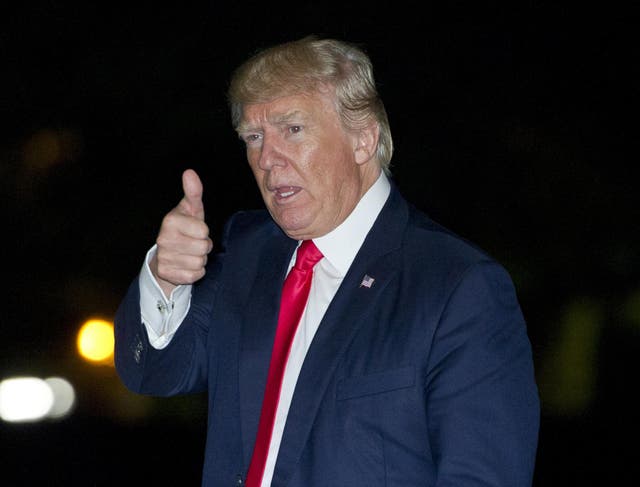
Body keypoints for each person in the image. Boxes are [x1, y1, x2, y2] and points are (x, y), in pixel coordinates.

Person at [114, 35, 539, 487]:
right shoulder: (249, 252)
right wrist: (166, 278)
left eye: (292, 130)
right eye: (254, 137)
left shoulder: (457, 286)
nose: (267, 159)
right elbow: (155, 373)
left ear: (363, 139)